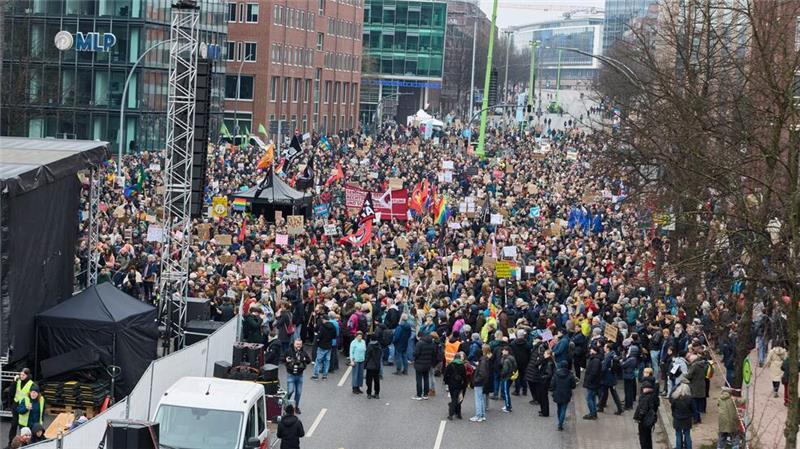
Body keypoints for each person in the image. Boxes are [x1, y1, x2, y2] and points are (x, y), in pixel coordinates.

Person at [633, 368, 660, 449]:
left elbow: (643, 408)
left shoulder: (646, 396)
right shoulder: (654, 384)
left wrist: (639, 418)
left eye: (645, 372)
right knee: (648, 436)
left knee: (644, 438)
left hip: (645, 419)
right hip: (650, 416)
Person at [5, 368, 32, 444]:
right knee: (13, 424)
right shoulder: (17, 381)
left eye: (23, 375)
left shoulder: (31, 383)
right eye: (20, 374)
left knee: (22, 426)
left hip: (24, 406)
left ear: (27, 375)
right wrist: (14, 381)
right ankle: (11, 443)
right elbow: (11, 392)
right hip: (16, 405)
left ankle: (23, 443)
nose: (21, 376)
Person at [284, 339, 311, 414]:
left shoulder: (303, 352)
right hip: (291, 375)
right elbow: (282, 358)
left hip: (300, 376)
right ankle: (286, 404)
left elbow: (309, 360)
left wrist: (305, 359)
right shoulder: (288, 351)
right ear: (294, 344)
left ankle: (296, 407)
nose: (298, 346)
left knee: (298, 393)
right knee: (290, 391)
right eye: (297, 344)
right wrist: (286, 360)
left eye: (300, 344)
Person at [550, 361, 577, 431]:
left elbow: (552, 385)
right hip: (566, 394)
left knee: (559, 408)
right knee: (563, 409)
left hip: (557, 393)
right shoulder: (570, 375)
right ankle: (560, 424)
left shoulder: (556, 374)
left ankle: (559, 421)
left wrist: (553, 390)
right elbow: (573, 386)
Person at [311, 312, 337, 380]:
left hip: (322, 346)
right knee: (327, 361)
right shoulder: (333, 326)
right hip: (329, 346)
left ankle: (315, 375)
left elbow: (319, 336)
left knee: (318, 360)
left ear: (324, 320)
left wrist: (318, 340)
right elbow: (334, 336)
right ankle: (325, 376)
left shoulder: (322, 327)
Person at [599, 343, 624, 415]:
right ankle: (601, 406)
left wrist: (600, 374)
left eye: (605, 346)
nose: (603, 347)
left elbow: (604, 368)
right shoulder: (613, 354)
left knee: (611, 393)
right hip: (612, 377)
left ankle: (619, 408)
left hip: (607, 377)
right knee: (606, 392)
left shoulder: (608, 356)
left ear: (607, 348)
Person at [443, 352, 468, 420]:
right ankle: (458, 414)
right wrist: (465, 384)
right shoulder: (462, 366)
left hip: (451, 384)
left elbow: (446, 375)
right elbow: (464, 376)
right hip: (459, 384)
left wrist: (446, 382)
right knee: (459, 399)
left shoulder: (450, 365)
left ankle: (451, 414)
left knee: (453, 398)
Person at [470, 344, 492, 422]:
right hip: (484, 382)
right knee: (481, 398)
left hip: (479, 382)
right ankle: (482, 415)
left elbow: (482, 373)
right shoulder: (486, 359)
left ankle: (478, 415)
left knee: (478, 399)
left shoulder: (482, 360)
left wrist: (476, 380)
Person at [412, 333, 437, 400]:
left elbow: (415, 353)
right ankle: (425, 394)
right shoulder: (432, 344)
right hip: (428, 364)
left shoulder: (419, 343)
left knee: (419, 379)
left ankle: (419, 395)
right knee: (426, 379)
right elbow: (434, 354)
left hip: (419, 364)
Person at [670, 381, 694, 449]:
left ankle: (678, 447)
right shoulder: (690, 399)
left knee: (678, 434)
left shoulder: (675, 399)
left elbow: (672, 407)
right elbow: (693, 409)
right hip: (687, 419)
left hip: (677, 419)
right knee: (687, 435)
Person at [684, 353, 707, 424]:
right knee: (698, 403)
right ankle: (698, 418)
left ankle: (696, 419)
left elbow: (689, 375)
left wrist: (685, 374)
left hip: (694, 386)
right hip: (701, 384)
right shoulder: (702, 364)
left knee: (694, 404)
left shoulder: (694, 366)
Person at [582, 346, 602, 420]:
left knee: (589, 398)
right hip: (593, 383)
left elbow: (594, 372)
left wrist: (588, 380)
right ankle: (593, 413)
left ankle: (592, 413)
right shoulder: (594, 359)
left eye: (592, 349)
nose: (590, 350)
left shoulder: (596, 360)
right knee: (592, 398)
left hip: (592, 383)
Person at [622, 339, 639, 409]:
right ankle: (628, 404)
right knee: (629, 390)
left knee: (628, 391)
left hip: (628, 376)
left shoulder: (631, 359)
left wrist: (622, 362)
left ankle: (628, 405)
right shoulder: (633, 358)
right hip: (630, 376)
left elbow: (623, 365)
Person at [499, 346, 517, 413]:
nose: (502, 351)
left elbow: (505, 370)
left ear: (507, 351)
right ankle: (508, 405)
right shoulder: (512, 357)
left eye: (503, 350)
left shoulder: (506, 360)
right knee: (506, 391)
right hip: (510, 376)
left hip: (506, 377)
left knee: (506, 392)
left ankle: (508, 407)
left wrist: (501, 375)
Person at [364, 333, 382, 399]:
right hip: (377, 365)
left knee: (369, 380)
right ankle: (377, 393)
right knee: (376, 380)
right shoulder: (379, 345)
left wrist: (364, 365)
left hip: (370, 365)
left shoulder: (369, 346)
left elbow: (367, 356)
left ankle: (369, 393)